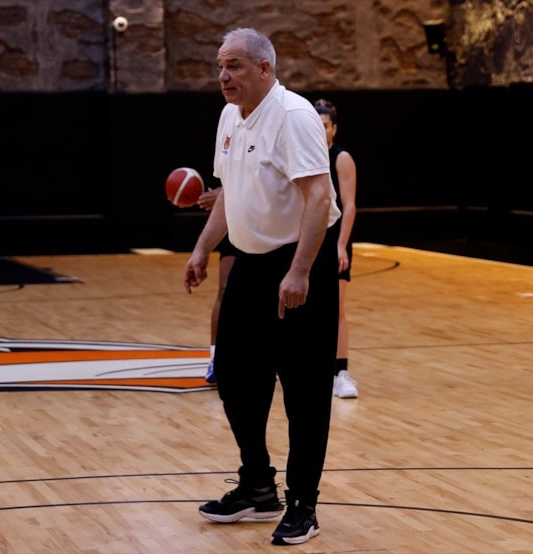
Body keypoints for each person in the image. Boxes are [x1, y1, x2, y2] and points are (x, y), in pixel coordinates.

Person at [183, 27, 341, 546]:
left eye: (233, 65)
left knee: (303, 390)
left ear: (264, 69)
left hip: (298, 263)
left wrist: (299, 271)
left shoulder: (293, 116)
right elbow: (230, 192)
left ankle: (303, 505)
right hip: (250, 265)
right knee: (233, 375)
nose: (223, 75)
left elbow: (319, 199)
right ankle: (256, 484)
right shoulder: (230, 115)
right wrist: (203, 248)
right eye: (220, 66)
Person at [314, 99, 359, 399]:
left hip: (334, 239)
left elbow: (349, 205)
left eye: (325, 126)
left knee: (337, 307)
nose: (321, 130)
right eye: (316, 125)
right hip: (308, 238)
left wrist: (341, 244)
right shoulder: (303, 156)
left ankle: (340, 372)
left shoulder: (341, 158)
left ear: (334, 129)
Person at [196, 184, 236, 384]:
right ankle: (216, 357)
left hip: (270, 223)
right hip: (235, 220)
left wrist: (225, 191)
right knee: (225, 289)